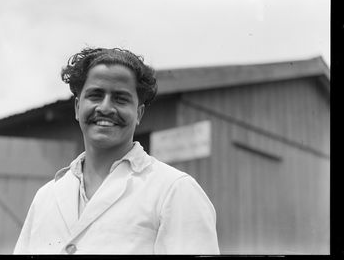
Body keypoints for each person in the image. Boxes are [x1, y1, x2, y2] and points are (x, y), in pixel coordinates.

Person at [14, 47, 220, 254]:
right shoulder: (46, 196)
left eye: (120, 99)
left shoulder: (175, 191)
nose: (105, 108)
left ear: (138, 113)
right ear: (77, 108)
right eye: (95, 95)